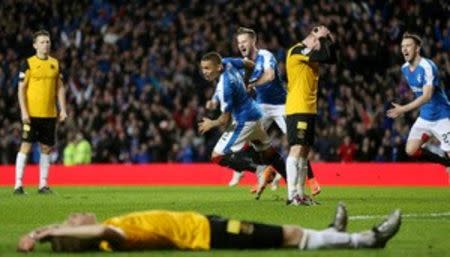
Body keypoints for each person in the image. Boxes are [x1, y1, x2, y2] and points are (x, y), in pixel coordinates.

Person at [16, 202, 402, 253]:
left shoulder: (112, 230)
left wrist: (38, 233)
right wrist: (51, 235)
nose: (75, 216)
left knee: (283, 230)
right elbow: (93, 234)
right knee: (286, 236)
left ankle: (333, 233)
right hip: (208, 235)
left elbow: (81, 233)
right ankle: (365, 240)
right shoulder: (114, 237)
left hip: (205, 224)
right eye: (71, 221)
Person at [226, 27, 322, 197]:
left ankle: (311, 179)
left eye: (244, 41)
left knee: (297, 143)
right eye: (238, 42)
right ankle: (265, 172)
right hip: (261, 106)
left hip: (282, 105)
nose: (241, 45)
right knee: (247, 138)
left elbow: (270, 76)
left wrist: (252, 84)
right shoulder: (242, 65)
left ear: (253, 41)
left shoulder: (266, 56)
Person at [198, 52, 287, 199]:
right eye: (203, 68)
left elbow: (224, 119)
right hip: (256, 114)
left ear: (218, 67)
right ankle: (293, 186)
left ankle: (261, 170)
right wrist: (247, 82)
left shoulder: (225, 86)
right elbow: (249, 64)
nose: (204, 72)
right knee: (268, 152)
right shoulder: (227, 62)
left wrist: (211, 123)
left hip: (244, 121)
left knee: (217, 156)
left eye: (207, 68)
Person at [285, 25, 337, 205]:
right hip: (297, 107)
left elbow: (331, 58)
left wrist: (329, 40)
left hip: (309, 108)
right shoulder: (296, 50)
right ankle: (292, 195)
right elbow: (323, 55)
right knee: (297, 148)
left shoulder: (310, 54)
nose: (321, 46)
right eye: (319, 41)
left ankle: (300, 193)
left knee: (304, 151)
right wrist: (322, 38)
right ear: (313, 39)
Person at [387, 33, 450, 181]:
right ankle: (445, 162)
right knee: (410, 150)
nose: (404, 49)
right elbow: (418, 94)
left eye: (408, 45)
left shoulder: (428, 66)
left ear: (418, 49)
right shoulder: (404, 69)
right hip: (425, 117)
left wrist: (403, 109)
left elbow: (427, 96)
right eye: (402, 46)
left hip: (443, 116)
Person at [13, 30, 67, 195]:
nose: (46, 45)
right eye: (42, 42)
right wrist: (24, 112)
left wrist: (63, 109)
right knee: (26, 146)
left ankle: (43, 185)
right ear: (35, 45)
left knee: (46, 149)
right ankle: (18, 185)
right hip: (31, 114)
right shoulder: (28, 63)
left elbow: (60, 88)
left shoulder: (55, 64)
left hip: (49, 114)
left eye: (48, 42)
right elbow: (21, 89)